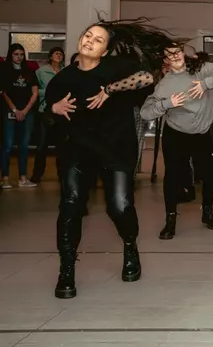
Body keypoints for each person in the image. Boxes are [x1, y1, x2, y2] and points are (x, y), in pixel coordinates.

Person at [46, 18, 175, 299]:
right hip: (77, 150)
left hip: (116, 148)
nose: (90, 40)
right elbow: (49, 107)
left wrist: (109, 89)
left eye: (98, 39)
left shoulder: (117, 67)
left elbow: (147, 78)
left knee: (119, 207)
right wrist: (53, 107)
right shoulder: (63, 78)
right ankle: (66, 270)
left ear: (105, 51)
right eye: (88, 35)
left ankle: (130, 246)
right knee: (70, 204)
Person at [141, 46, 213, 239]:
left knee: (211, 174)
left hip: (201, 135)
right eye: (169, 54)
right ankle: (170, 219)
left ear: (184, 55)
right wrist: (167, 104)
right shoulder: (164, 85)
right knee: (172, 177)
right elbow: (145, 112)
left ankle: (207, 211)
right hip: (175, 134)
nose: (174, 56)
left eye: (177, 51)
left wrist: (205, 85)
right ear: (165, 60)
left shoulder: (201, 70)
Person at [1, 43, 39, 189]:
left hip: (27, 112)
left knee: (24, 145)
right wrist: (15, 110)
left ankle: (23, 178)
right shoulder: (4, 71)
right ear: (11, 55)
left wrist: (25, 111)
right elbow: (4, 93)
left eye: (21, 54)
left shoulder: (29, 71)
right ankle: (5, 179)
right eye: (16, 54)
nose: (19, 57)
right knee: (8, 145)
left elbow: (35, 93)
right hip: (9, 111)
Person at [30, 47, 66, 185]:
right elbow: (34, 91)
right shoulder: (40, 71)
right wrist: (50, 92)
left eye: (61, 54)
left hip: (61, 111)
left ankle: (62, 175)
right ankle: (36, 175)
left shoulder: (66, 72)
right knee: (42, 145)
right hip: (45, 110)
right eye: (56, 53)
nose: (59, 55)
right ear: (50, 56)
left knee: (61, 146)